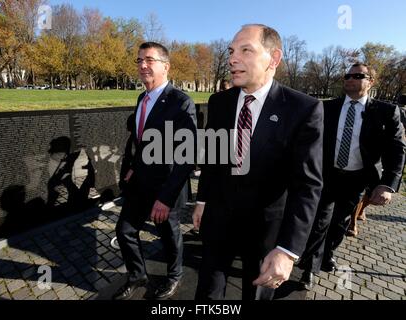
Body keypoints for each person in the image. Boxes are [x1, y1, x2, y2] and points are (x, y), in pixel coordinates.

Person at [192, 24, 324, 300]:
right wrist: (202, 200)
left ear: (274, 59)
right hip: (218, 220)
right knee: (206, 292)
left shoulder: (304, 108)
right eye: (231, 51)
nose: (232, 58)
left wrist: (288, 250)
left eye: (245, 50)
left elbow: (307, 185)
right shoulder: (219, 102)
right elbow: (213, 159)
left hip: (266, 231)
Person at [299, 63, 406, 289]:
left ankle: (327, 254)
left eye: (357, 76)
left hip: (357, 178)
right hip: (326, 175)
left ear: (371, 82)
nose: (350, 79)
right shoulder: (326, 108)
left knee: (341, 222)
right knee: (320, 220)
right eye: (347, 75)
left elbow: (397, 148)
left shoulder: (386, 112)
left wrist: (388, 184)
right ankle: (309, 267)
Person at [114, 42, 197, 300]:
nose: (142, 65)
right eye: (139, 60)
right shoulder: (142, 98)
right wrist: (133, 169)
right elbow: (142, 143)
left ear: (166, 66)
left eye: (149, 60)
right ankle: (137, 275)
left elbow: (186, 157)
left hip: (166, 189)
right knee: (125, 230)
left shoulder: (181, 102)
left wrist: (166, 198)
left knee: (169, 238)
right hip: (140, 183)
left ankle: (174, 276)